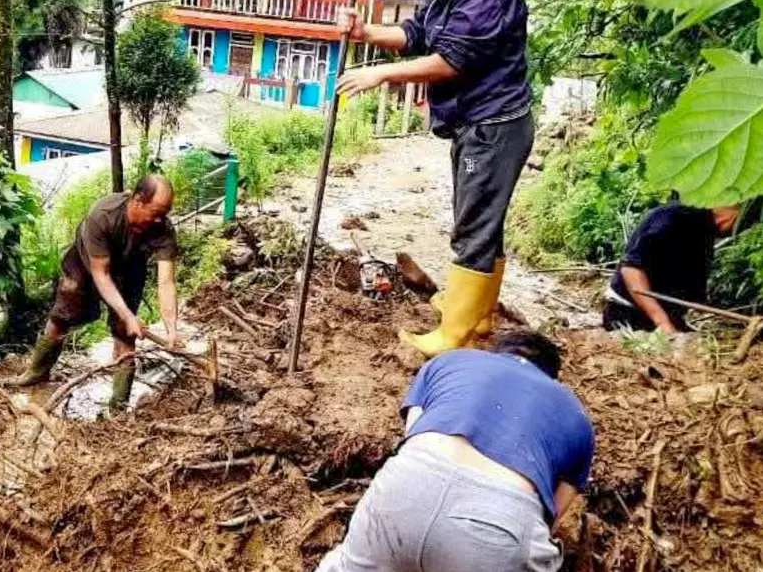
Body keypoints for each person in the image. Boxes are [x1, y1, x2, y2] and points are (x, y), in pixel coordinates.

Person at [335, 0, 533, 356]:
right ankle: (478, 315)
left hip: (494, 124)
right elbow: (419, 32)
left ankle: (454, 335)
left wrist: (380, 74)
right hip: (477, 121)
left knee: (472, 228)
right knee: (485, 223)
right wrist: (368, 33)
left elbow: (451, 61)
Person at [316, 331, 594, 572]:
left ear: (494, 353)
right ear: (552, 377)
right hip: (499, 523)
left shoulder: (449, 361)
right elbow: (551, 518)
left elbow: (412, 435)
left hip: (405, 489)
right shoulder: (576, 416)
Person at [10, 174, 182, 413]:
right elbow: (101, 274)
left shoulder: (162, 228)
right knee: (61, 318)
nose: (160, 219)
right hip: (86, 263)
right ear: (138, 200)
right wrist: (127, 315)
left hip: (129, 270)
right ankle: (35, 373)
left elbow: (166, 282)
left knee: (125, 336)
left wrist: (171, 329)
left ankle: (118, 406)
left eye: (165, 213)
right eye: (157, 211)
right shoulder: (103, 215)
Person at [604, 202, 741, 333]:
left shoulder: (703, 229)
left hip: (664, 315)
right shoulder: (674, 218)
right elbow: (631, 269)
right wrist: (663, 323)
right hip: (629, 314)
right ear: (729, 218)